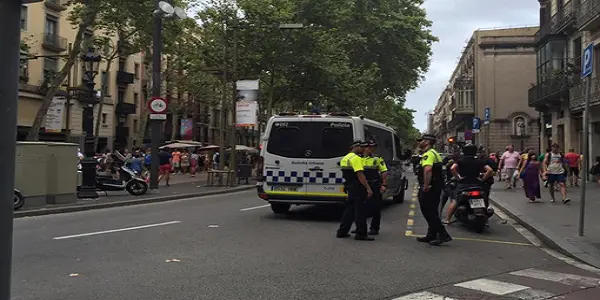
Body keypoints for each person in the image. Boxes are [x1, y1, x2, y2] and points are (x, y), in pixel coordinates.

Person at [444, 144, 493, 224]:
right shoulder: (479, 161)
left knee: (456, 199)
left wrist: (458, 178)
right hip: (477, 184)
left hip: (464, 184)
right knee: (484, 197)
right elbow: (490, 170)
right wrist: (483, 179)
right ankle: (485, 214)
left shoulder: (460, 160)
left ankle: (447, 219)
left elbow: (452, 168)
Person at [416, 134, 451, 246]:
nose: (419, 143)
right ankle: (431, 234)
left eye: (421, 141)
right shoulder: (434, 153)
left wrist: (426, 185)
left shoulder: (429, 154)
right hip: (436, 186)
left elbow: (427, 170)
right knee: (431, 211)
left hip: (431, 188)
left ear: (427, 142)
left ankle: (442, 234)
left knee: (429, 212)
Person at [336, 140, 374, 241]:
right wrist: (368, 188)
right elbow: (360, 174)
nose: (363, 149)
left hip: (350, 186)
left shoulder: (345, 158)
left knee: (349, 210)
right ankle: (361, 234)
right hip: (358, 187)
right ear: (355, 147)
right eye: (361, 147)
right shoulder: (356, 158)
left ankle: (342, 231)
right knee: (360, 211)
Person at [361, 140, 388, 235]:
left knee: (376, 207)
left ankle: (374, 228)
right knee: (361, 207)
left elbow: (384, 171)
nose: (372, 149)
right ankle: (360, 227)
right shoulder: (358, 158)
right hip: (362, 185)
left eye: (373, 147)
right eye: (370, 147)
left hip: (375, 185)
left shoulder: (377, 159)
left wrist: (384, 185)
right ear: (365, 147)